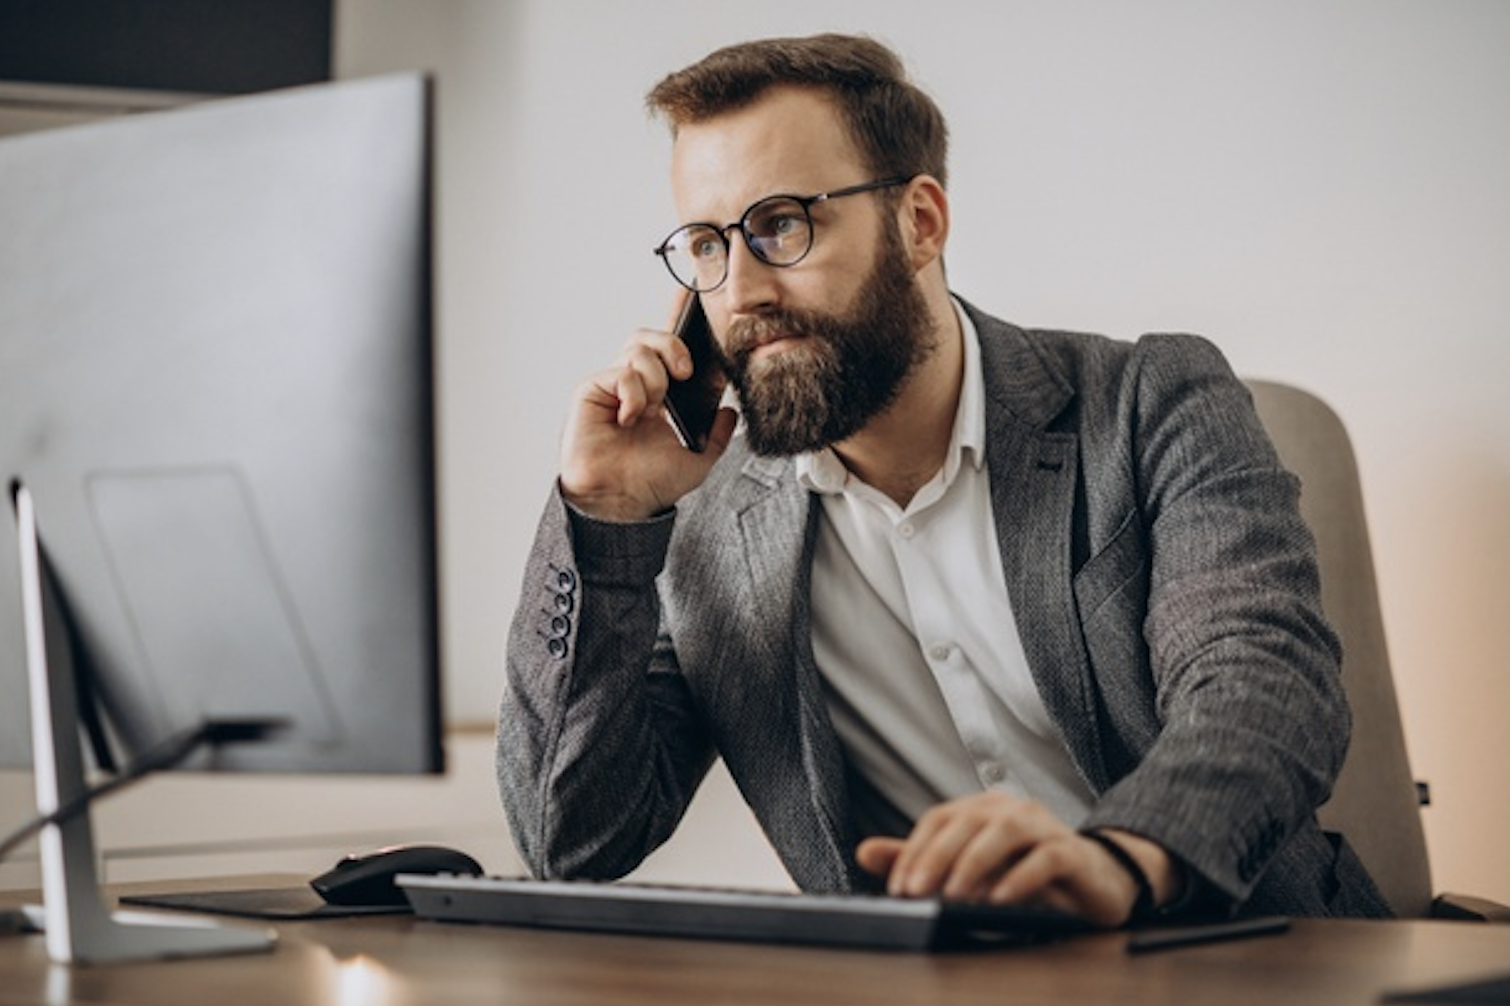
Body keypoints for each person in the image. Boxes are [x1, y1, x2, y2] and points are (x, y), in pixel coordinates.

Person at [498, 32, 1390, 927]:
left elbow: (1264, 682)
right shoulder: (704, 511)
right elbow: (570, 838)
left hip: (1239, 962)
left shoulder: (1149, 403)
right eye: (707, 244)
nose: (741, 292)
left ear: (920, 222)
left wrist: (1122, 859)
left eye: (780, 225)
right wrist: (605, 517)